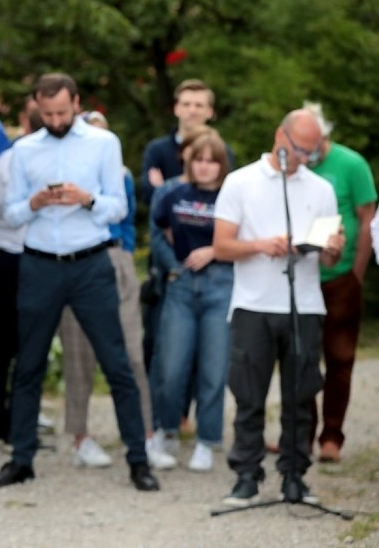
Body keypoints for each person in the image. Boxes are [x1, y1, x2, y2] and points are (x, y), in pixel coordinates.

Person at [0, 73, 159, 492]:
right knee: (28, 365)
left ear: (76, 103)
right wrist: (35, 202)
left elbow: (118, 209)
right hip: (40, 264)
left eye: (62, 112)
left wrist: (87, 198)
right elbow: (9, 214)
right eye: (47, 114)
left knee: (117, 364)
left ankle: (138, 460)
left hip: (91, 264)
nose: (56, 119)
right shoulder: (24, 150)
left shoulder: (104, 143)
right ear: (36, 110)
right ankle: (21, 459)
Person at [213, 109, 344, 507]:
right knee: (249, 396)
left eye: (311, 152)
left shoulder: (321, 188)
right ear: (279, 136)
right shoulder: (240, 182)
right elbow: (221, 245)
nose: (304, 158)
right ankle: (247, 474)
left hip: (304, 305)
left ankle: (294, 475)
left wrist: (332, 250)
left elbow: (328, 260)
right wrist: (260, 245)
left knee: (300, 396)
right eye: (298, 149)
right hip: (253, 304)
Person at [58, 111, 175, 471]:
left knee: (131, 353)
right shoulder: (60, 176)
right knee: (78, 355)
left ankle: (145, 435)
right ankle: (80, 437)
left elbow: (120, 218)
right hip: (72, 262)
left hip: (113, 259)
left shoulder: (120, 175)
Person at [151, 129, 233, 472]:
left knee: (214, 369)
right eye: (198, 160)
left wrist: (213, 251)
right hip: (181, 285)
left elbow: (244, 235)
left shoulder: (233, 195)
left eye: (211, 161)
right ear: (188, 161)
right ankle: (166, 430)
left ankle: (206, 440)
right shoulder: (172, 192)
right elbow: (158, 232)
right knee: (171, 366)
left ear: (221, 165)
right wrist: (174, 265)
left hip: (221, 284)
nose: (204, 167)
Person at [302, 102, 376, 463]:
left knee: (339, 358)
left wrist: (357, 272)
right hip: (300, 279)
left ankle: (332, 435)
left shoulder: (351, 164)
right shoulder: (296, 163)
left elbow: (367, 220)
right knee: (300, 359)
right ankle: (301, 434)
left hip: (340, 277)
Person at [0, 103, 43, 442]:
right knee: (8, 340)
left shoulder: (4, 161)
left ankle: (19, 419)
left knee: (27, 340)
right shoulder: (4, 163)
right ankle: (1, 420)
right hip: (13, 257)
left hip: (38, 256)